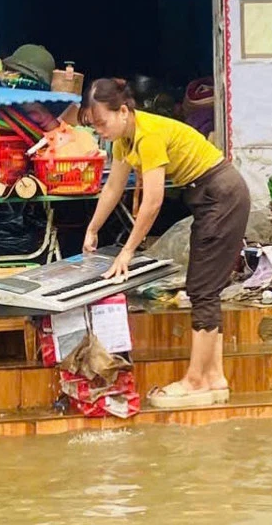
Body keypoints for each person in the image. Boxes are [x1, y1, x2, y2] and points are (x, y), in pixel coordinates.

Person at [81, 78, 250, 409]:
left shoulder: (148, 135)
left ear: (124, 111)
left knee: (202, 289)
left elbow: (153, 201)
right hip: (208, 196)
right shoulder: (123, 142)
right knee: (205, 288)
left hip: (222, 193)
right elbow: (114, 188)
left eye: (102, 122)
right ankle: (214, 377)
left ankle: (195, 380)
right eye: (94, 125)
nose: (100, 130)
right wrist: (92, 228)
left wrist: (128, 251)